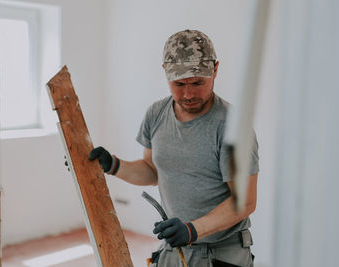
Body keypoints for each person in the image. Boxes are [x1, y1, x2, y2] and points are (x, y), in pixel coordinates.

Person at [89, 29, 259, 267]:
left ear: (215, 70)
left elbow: (245, 201)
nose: (188, 94)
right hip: (176, 248)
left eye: (198, 82)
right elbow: (152, 171)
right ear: (165, 73)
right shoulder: (156, 114)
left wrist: (192, 229)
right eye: (179, 83)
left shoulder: (231, 127)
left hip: (220, 253)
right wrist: (114, 165)